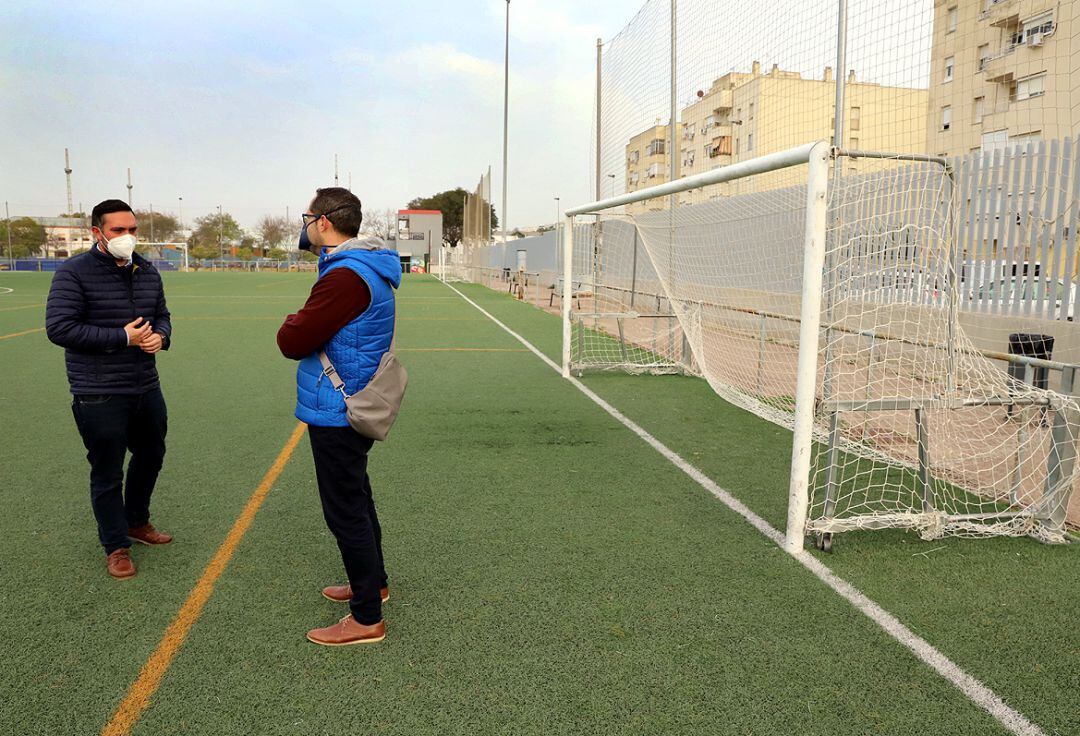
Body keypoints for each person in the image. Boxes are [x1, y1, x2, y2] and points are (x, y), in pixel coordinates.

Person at [276, 187, 401, 646]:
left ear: (324, 221)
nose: (304, 224)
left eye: (307, 215)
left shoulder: (345, 276)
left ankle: (366, 618)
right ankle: (375, 584)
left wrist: (292, 322)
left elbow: (293, 340)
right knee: (358, 499)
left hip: (337, 408)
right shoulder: (366, 267)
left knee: (345, 511)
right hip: (353, 401)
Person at [45, 199, 173, 579]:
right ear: (97, 233)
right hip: (98, 390)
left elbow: (162, 316)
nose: (128, 237)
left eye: (132, 229)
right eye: (118, 230)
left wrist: (161, 338)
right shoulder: (74, 272)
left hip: (145, 386)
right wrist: (122, 338)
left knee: (151, 456)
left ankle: (137, 521)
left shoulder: (147, 270)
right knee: (107, 470)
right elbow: (60, 328)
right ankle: (115, 545)